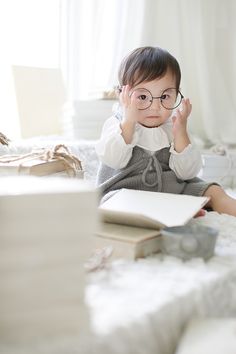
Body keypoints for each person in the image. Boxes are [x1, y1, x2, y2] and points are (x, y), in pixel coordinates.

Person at [95, 46, 236, 216]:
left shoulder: (172, 126)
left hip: (171, 189)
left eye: (164, 97)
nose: (155, 107)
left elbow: (187, 172)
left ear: (177, 95)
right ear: (122, 95)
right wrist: (129, 122)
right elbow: (113, 159)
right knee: (115, 202)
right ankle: (175, 210)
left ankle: (179, 207)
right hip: (126, 190)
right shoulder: (116, 124)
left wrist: (180, 133)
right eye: (142, 97)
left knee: (213, 190)